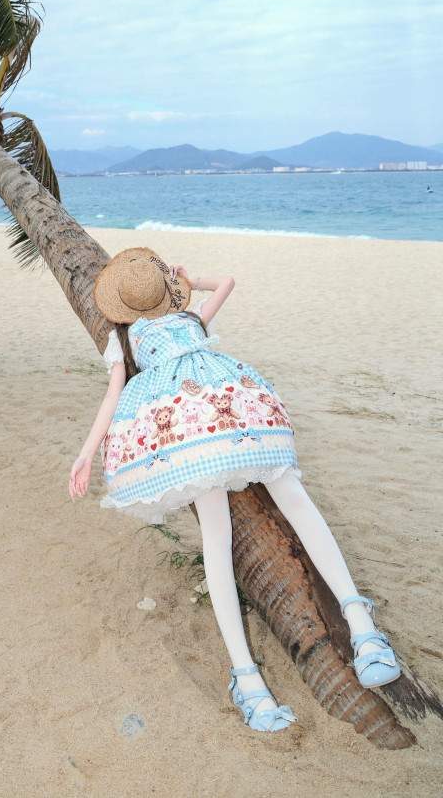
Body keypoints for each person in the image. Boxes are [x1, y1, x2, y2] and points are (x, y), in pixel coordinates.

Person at [69, 247, 400, 734]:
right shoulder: (136, 336)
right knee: (223, 533)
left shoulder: (177, 321)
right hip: (205, 424)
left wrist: (186, 282)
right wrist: (85, 452)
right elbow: (113, 393)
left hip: (218, 417)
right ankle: (254, 672)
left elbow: (226, 282)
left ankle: (358, 624)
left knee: (286, 497)